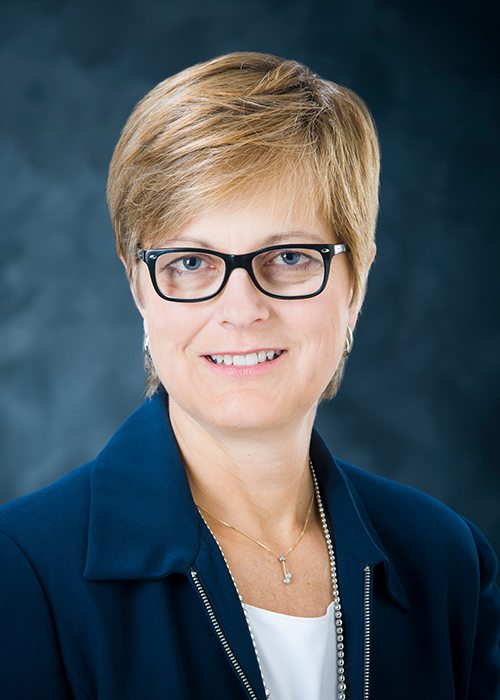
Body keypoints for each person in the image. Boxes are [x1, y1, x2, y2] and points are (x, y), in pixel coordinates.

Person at [0, 51, 498, 700]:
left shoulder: (446, 560)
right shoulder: (21, 569)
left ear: (357, 284)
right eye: (190, 263)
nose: (241, 310)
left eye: (289, 256)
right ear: (139, 288)